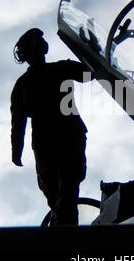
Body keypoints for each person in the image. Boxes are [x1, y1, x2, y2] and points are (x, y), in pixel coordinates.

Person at [10, 28, 92, 226]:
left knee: (67, 193)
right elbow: (18, 122)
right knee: (60, 196)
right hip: (50, 143)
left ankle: (62, 230)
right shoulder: (25, 84)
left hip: (65, 139)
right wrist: (16, 150)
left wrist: (88, 46)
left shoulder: (59, 69)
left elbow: (90, 73)